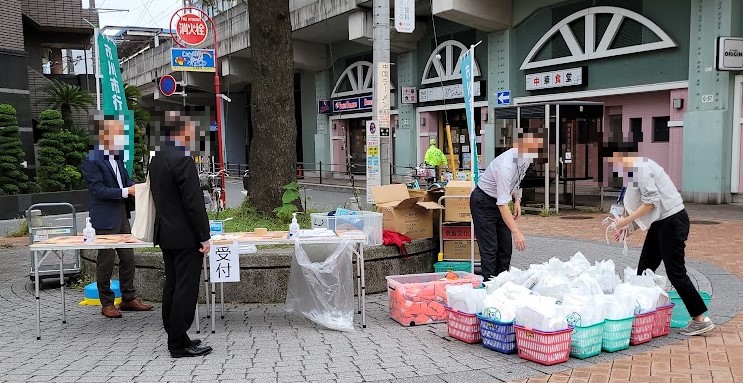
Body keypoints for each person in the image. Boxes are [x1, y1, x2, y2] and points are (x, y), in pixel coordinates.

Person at [605, 144, 714, 336]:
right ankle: (642, 313)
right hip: (661, 223)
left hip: (672, 222)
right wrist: (628, 228)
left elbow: (651, 202)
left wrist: (625, 222)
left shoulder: (641, 168)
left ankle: (700, 318)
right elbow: (651, 209)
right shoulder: (634, 170)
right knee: (644, 270)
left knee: (675, 273)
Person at [149, 111, 213, 358]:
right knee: (186, 288)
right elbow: (193, 202)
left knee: (173, 285)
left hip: (166, 233)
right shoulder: (183, 158)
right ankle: (178, 343)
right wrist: (204, 236)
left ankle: (176, 336)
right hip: (186, 236)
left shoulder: (157, 158)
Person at [81, 116, 154, 318]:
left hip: (121, 215)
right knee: (106, 259)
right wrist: (126, 191)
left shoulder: (117, 157)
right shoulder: (91, 160)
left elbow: (126, 180)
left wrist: (139, 188)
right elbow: (98, 191)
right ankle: (106, 303)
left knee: (128, 257)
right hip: (104, 217)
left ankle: (128, 298)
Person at [470, 133, 543, 282]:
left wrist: (517, 200)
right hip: (483, 202)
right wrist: (517, 232)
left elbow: (518, 179)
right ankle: (489, 286)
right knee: (490, 249)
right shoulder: (505, 165)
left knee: (505, 248)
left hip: (499, 200)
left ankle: (502, 285)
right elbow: (503, 205)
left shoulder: (526, 158)